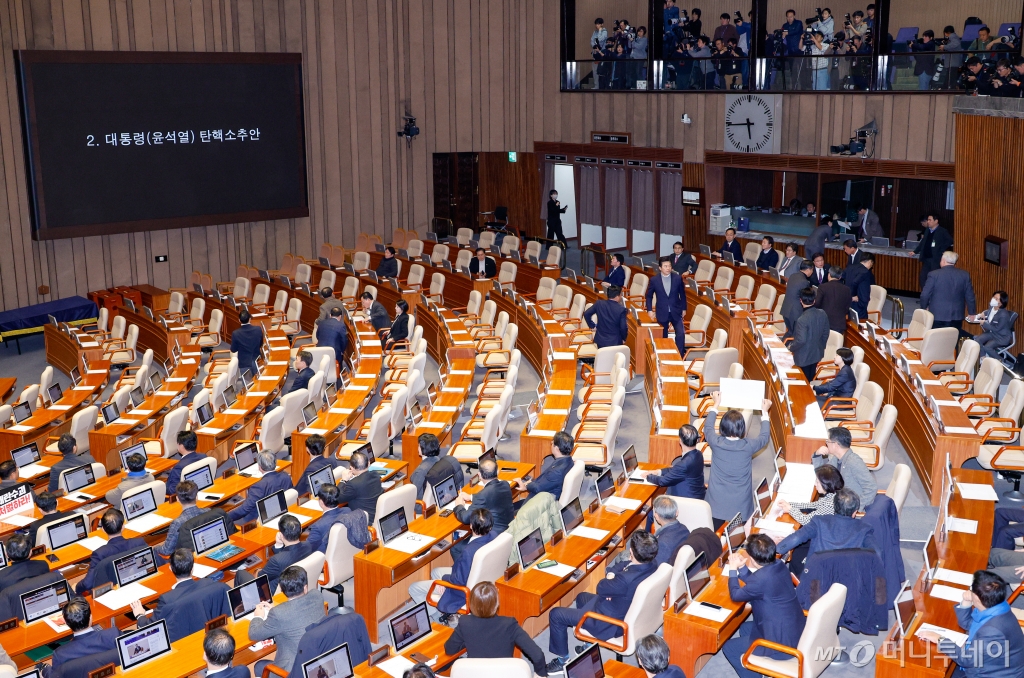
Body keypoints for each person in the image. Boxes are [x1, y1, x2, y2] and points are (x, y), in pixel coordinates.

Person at [546, 531, 660, 673]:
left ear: (631, 551)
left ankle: (562, 660)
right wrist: (613, 574)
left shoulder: (624, 580)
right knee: (581, 597)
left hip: (609, 622)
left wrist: (611, 577)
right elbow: (623, 564)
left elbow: (600, 587)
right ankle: (588, 645)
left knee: (556, 614)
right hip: (620, 606)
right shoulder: (652, 564)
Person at [722, 534, 806, 678]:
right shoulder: (779, 565)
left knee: (729, 647)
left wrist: (732, 570)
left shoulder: (762, 579)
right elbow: (757, 583)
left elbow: (736, 595)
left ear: (753, 560)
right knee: (744, 627)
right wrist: (742, 568)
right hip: (796, 630)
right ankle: (756, 666)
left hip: (782, 645)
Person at [920, 570, 1024, 676]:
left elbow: (967, 659)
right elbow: (968, 624)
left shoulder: (992, 630)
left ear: (978, 598)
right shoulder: (997, 606)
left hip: (993, 673)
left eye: (971, 589)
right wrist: (966, 602)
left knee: (933, 668)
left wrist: (939, 639)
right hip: (989, 661)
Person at [410, 509, 498, 625]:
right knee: (436, 572)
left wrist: (444, 580)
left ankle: (440, 619)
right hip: (482, 579)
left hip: (464, 589)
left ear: (471, 526)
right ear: (490, 526)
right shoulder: (494, 535)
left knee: (413, 588)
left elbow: (459, 580)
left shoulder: (469, 551)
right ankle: (449, 613)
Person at [444, 582, 548, 675]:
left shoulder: (464, 622)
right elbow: (538, 655)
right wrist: (540, 675)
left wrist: (467, 639)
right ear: (496, 603)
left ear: (471, 603)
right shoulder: (509, 624)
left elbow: (449, 649)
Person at [704, 392, 773, 523]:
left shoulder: (715, 442)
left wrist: (716, 403)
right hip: (740, 504)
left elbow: (708, 427)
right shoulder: (748, 446)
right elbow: (764, 437)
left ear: (722, 426)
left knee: (714, 533)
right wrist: (764, 412)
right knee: (737, 538)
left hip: (716, 503)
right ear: (742, 428)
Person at [776, 488, 877, 574]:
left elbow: (796, 538)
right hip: (846, 583)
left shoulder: (819, 521)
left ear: (835, 507)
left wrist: (776, 550)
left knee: (795, 561)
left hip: (814, 580)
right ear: (855, 512)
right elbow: (876, 554)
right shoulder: (865, 529)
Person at [248, 566, 327, 675]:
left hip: (293, 670)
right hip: (320, 660)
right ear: (305, 588)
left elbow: (253, 634)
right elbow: (297, 612)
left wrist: (258, 616)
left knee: (259, 666)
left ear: (282, 590)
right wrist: (276, 610)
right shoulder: (317, 595)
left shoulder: (279, 614)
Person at [131, 548, 229, 627]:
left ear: (170, 568)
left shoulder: (167, 600)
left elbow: (150, 626)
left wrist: (140, 615)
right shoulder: (214, 584)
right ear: (192, 567)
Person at [76, 509, 148, 594]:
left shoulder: (99, 554)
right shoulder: (139, 542)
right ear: (123, 526)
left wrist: (77, 587)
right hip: (139, 585)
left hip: (112, 592)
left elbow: (87, 584)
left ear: (103, 529)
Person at [452, 459, 513, 559]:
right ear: (497, 472)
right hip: (507, 530)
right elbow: (492, 495)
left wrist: (458, 506)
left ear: (479, 475)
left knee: (455, 548)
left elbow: (465, 518)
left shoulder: (483, 495)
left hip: (492, 536)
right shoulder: (505, 484)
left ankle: (466, 573)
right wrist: (472, 497)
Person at [237, 514, 313, 593]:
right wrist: (278, 545)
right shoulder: (308, 546)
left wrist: (257, 570)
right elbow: (285, 556)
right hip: (298, 585)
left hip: (275, 591)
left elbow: (260, 578)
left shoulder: (276, 561)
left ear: (281, 535)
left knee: (240, 573)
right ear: (300, 530)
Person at [49, 597, 120, 673]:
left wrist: (45, 670)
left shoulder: (60, 654)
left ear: (66, 623)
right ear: (91, 617)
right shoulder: (113, 634)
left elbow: (56, 675)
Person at [812, 427, 876, 507]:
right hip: (839, 501)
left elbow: (872, 487)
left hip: (847, 507)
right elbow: (823, 475)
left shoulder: (853, 462)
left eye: (827, 441)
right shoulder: (836, 458)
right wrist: (817, 455)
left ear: (835, 445)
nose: (826, 444)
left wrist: (856, 508)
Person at [227, 451, 292, 525]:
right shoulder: (286, 477)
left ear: (260, 467)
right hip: (280, 513)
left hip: (257, 520)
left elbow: (244, 510)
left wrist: (227, 516)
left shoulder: (258, 487)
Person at [513, 432, 575, 510]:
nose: (551, 443)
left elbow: (538, 488)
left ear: (556, 449)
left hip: (540, 503)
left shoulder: (556, 472)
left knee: (507, 511)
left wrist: (527, 485)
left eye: (552, 443)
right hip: (547, 490)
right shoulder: (569, 461)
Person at [919, 251, 976, 333]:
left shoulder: (934, 275)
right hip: (957, 315)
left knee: (936, 339)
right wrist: (971, 312)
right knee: (952, 340)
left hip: (937, 315)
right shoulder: (964, 275)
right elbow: (970, 296)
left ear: (943, 261)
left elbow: (925, 295)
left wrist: (924, 308)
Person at [645, 424, 705, 499]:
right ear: (696, 440)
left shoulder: (684, 464)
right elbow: (676, 470)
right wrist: (658, 472)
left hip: (687, 501)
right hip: (698, 495)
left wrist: (647, 476)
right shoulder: (698, 454)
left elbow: (662, 481)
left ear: (680, 441)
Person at [776, 464, 845, 525]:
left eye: (817, 482)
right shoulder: (832, 495)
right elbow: (813, 505)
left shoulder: (830, 504)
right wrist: (789, 504)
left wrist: (790, 509)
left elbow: (806, 521)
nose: (815, 484)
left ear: (826, 485)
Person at [646, 257, 688, 354]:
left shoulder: (677, 278)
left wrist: (684, 308)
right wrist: (649, 310)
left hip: (676, 311)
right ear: (660, 268)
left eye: (669, 266)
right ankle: (665, 355)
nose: (668, 268)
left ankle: (680, 355)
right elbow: (649, 296)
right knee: (663, 336)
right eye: (665, 266)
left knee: (681, 334)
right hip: (662, 311)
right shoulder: (654, 280)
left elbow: (682, 295)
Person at [156, 480, 207, 557]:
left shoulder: (177, 522)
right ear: (196, 497)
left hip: (185, 558)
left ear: (177, 499)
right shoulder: (207, 511)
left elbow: (166, 551)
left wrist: (155, 548)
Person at [410, 433, 465, 505]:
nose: (417, 447)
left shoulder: (421, 471)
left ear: (423, 449)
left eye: (419, 446)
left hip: (420, 505)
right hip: (436, 500)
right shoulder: (437, 459)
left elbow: (414, 492)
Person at [789, 287, 830, 381]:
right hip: (816, 354)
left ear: (801, 300)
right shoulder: (822, 313)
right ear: (814, 300)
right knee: (811, 380)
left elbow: (801, 340)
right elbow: (826, 333)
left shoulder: (802, 320)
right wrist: (820, 347)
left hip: (803, 357)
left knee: (803, 383)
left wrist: (791, 347)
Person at [337, 450, 384, 521]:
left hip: (364, 521)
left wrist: (343, 480)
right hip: (378, 515)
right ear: (368, 464)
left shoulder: (353, 484)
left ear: (351, 468)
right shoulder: (375, 475)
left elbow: (337, 498)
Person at [912, 213, 954, 289]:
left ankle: (933, 297)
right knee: (923, 278)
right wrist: (915, 251)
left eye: (930, 220)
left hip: (935, 259)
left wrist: (941, 249)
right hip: (926, 258)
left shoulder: (942, 231)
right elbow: (923, 242)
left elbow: (950, 240)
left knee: (934, 278)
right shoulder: (927, 230)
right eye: (927, 220)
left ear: (936, 221)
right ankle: (926, 296)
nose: (928, 222)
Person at [972, 291, 1014, 361]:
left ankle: (1000, 361)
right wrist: (983, 313)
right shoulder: (992, 307)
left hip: (1002, 337)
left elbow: (996, 328)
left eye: (996, 299)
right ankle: (983, 358)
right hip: (992, 333)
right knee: (977, 340)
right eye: (994, 297)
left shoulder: (1003, 315)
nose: (993, 299)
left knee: (987, 347)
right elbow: (988, 311)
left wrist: (984, 323)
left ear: (1001, 302)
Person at [649, 496, 689, 566]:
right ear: (676, 513)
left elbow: (655, 568)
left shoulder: (663, 544)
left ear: (656, 516)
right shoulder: (684, 529)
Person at [165, 430, 208, 496]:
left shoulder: (179, 467)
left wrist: (162, 487)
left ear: (181, 446)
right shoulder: (203, 456)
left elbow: (173, 490)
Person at [813, 266, 852, 333]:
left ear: (829, 275)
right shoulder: (847, 289)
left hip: (824, 322)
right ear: (840, 277)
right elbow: (847, 307)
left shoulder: (822, 287)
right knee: (836, 343)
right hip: (839, 324)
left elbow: (817, 304)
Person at [781, 260, 813, 337]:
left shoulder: (793, 276)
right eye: (812, 270)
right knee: (795, 336)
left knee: (790, 333)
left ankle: (783, 346)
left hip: (786, 309)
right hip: (795, 312)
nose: (812, 272)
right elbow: (805, 298)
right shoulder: (804, 282)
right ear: (808, 270)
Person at [230, 309, 264, 377]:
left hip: (244, 363)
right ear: (250, 319)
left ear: (239, 320)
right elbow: (261, 344)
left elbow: (233, 350)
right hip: (257, 360)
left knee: (247, 385)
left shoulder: (236, 333)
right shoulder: (258, 329)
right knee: (259, 381)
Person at [844, 252, 875, 320]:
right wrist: (854, 295)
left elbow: (842, 278)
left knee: (850, 323)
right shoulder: (865, 271)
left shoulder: (850, 267)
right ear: (870, 262)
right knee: (860, 325)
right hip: (860, 303)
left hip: (849, 302)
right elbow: (855, 282)